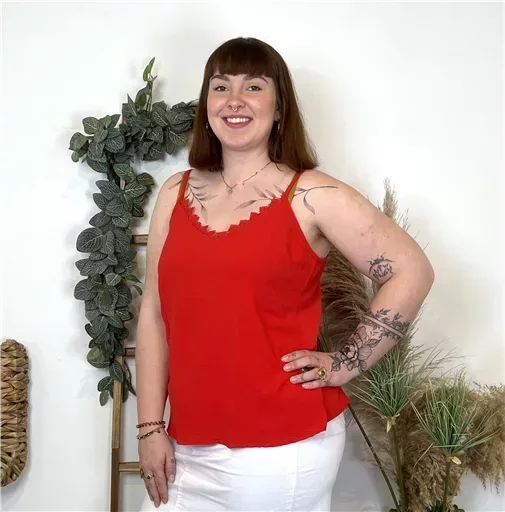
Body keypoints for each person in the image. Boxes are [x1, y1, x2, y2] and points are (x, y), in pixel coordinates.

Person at [136, 37, 434, 511]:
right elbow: (154, 315)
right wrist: (150, 427)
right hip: (186, 443)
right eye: (220, 87)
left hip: (280, 451)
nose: (234, 100)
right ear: (207, 106)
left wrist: (346, 363)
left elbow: (411, 271)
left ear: (279, 109)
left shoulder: (312, 195)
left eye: (253, 87)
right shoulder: (175, 192)